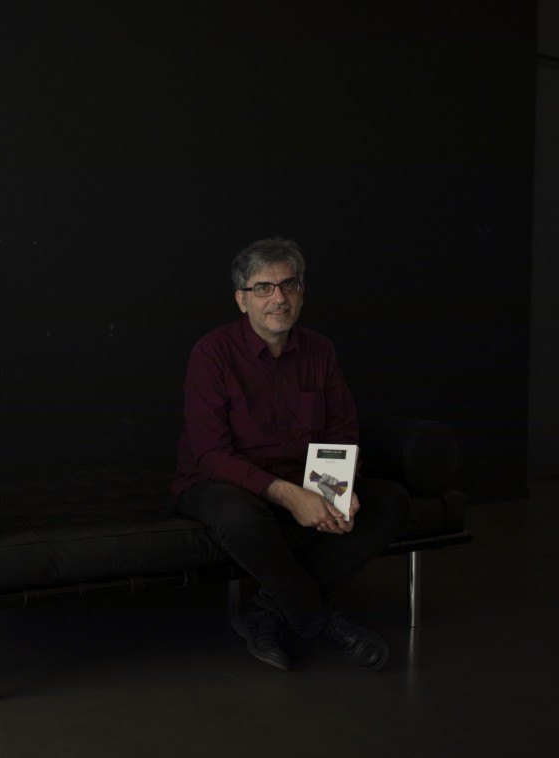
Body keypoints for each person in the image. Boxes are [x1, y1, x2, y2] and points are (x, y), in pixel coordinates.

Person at [172, 237, 408, 672]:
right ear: (242, 300)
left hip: (304, 479)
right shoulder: (212, 353)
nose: (278, 298)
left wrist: (338, 491)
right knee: (238, 512)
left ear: (301, 292)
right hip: (220, 482)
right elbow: (211, 453)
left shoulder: (320, 350)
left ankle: (266, 612)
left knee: (390, 500)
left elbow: (341, 432)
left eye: (288, 285)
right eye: (263, 287)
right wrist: (291, 496)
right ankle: (321, 621)